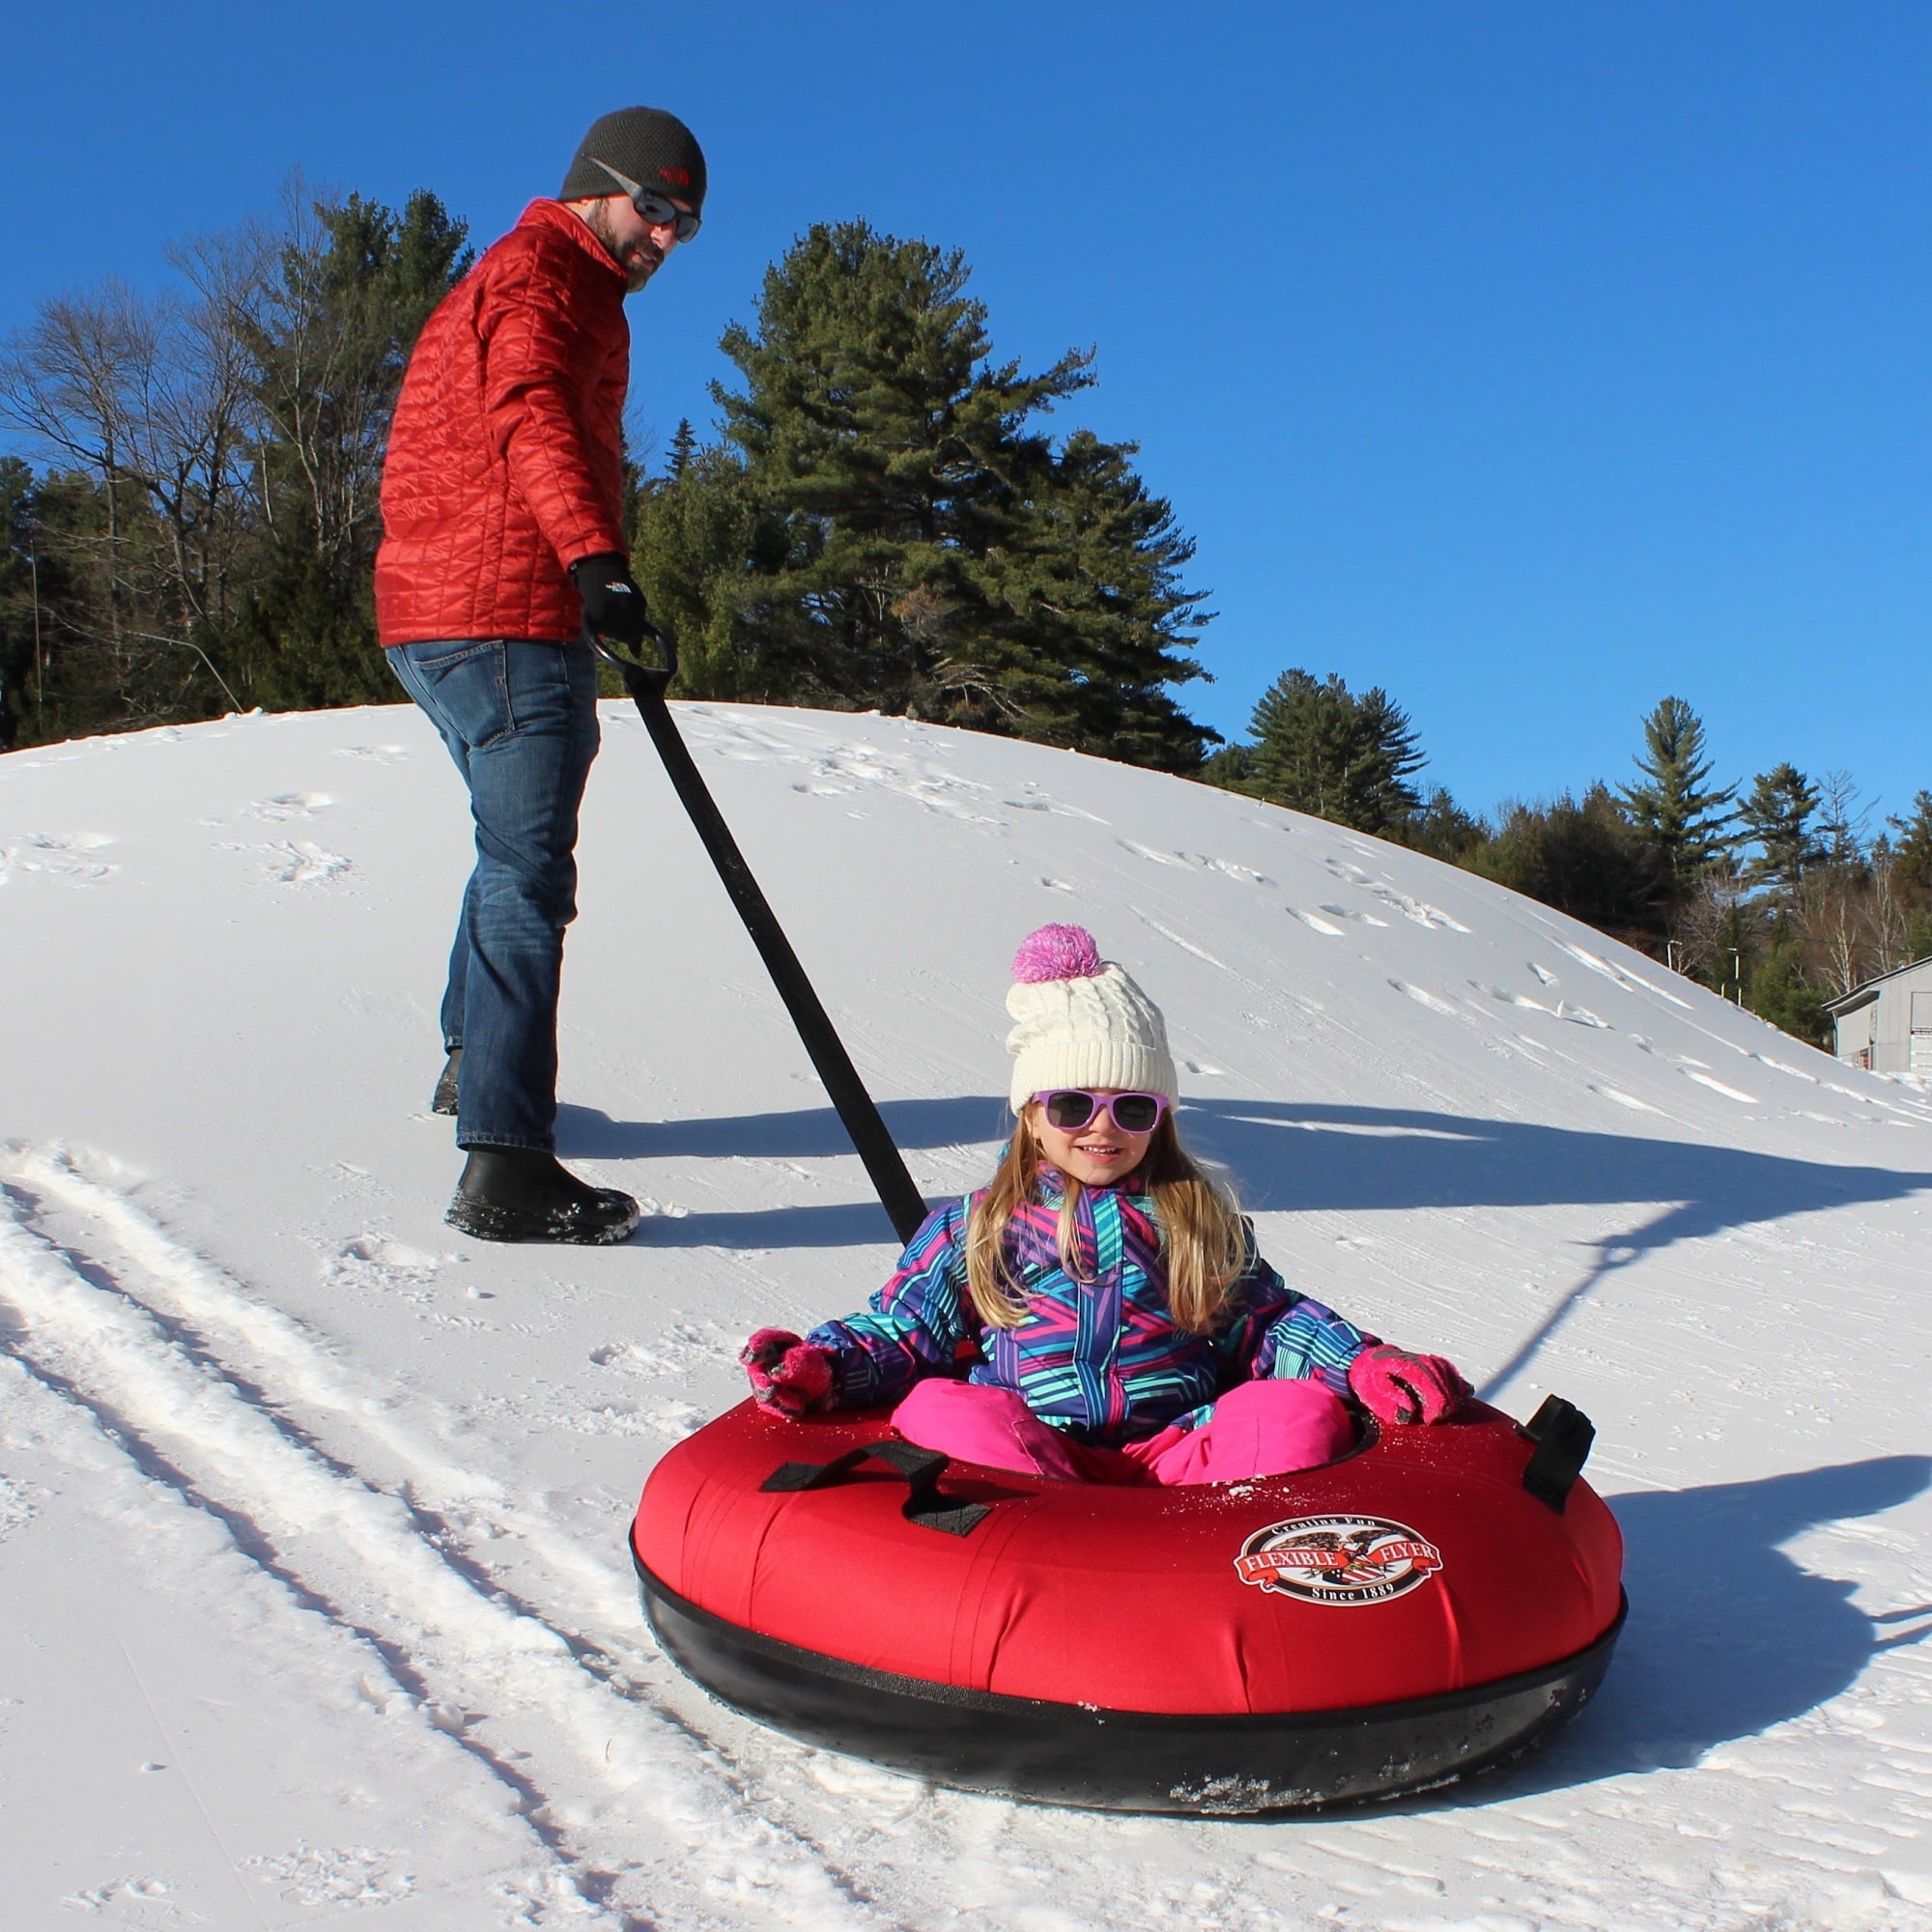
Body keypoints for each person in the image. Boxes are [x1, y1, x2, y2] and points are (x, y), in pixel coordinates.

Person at [739, 924, 1467, 1483]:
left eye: (1133, 1108)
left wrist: (1365, 1363)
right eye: (1071, 1103)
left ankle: (1216, 1545)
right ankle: (1048, 1543)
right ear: (1030, 1113)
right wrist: (826, 1364)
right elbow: (905, 1330)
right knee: (937, 1407)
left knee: (1297, 1411)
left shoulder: (1194, 1218)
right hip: (1036, 1451)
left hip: (1180, 1444)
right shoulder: (977, 1226)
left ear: (1163, 1119)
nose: (1102, 1127)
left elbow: (1270, 1323)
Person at [376, 107, 706, 1243]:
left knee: (504, 852)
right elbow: (531, 415)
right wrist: (595, 561)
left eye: (684, 226)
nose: (664, 239)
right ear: (597, 187)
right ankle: (505, 1164)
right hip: (503, 609)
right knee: (528, 877)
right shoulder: (542, 276)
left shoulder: (527, 274)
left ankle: (476, 1069)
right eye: (654, 210)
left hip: (436, 617)